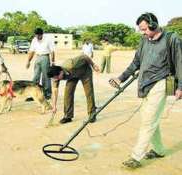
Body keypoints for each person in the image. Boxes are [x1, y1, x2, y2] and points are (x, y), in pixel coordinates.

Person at [109, 12, 182, 169]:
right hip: (145, 84)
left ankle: (136, 156)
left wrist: (181, 86)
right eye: (141, 30)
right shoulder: (144, 40)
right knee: (149, 119)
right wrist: (121, 78)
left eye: (144, 29)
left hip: (161, 82)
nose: (143, 33)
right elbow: (136, 62)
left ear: (154, 25)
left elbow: (180, 63)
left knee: (148, 121)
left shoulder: (172, 38)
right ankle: (159, 150)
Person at [47, 54, 100, 124]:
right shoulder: (55, 77)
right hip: (72, 76)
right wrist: (54, 106)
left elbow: (84, 56)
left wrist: (93, 65)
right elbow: (55, 91)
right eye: (54, 78)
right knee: (67, 94)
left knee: (89, 93)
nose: (56, 79)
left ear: (61, 72)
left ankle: (92, 115)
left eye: (57, 77)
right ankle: (68, 116)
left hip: (85, 71)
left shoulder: (70, 64)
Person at [26, 28, 55, 101]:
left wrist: (53, 62)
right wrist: (28, 61)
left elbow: (52, 51)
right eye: (36, 35)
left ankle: (47, 94)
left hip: (45, 57)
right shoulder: (34, 40)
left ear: (42, 34)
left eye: (39, 35)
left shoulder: (48, 39)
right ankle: (34, 94)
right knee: (35, 76)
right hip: (37, 57)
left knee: (46, 77)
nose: (37, 37)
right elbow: (32, 51)